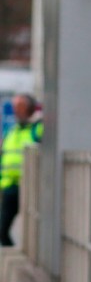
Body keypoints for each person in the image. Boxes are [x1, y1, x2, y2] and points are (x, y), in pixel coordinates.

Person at [0, 94, 42, 247]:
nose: (17, 110)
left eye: (20, 106)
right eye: (15, 107)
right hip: (9, 187)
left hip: (31, 186)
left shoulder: (38, 128)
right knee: (2, 230)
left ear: (30, 108)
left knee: (34, 230)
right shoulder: (11, 131)